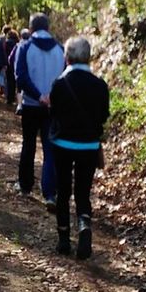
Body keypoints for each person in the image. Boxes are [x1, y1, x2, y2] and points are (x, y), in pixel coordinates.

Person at [49, 36, 110, 259]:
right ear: (89, 56)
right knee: (83, 192)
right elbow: (103, 116)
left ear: (67, 57)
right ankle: (84, 228)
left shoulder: (59, 84)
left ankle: (64, 240)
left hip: (62, 144)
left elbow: (53, 113)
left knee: (63, 191)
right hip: (89, 145)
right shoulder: (100, 85)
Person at [14, 13, 65, 211]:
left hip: (30, 105)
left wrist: (38, 96)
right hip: (53, 107)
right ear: (48, 27)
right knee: (50, 148)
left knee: (28, 144)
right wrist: (51, 96)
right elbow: (64, 77)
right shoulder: (60, 49)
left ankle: (26, 185)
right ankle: (50, 193)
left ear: (32, 28)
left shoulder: (25, 47)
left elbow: (21, 77)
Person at [3, 29, 19, 105]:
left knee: (9, 81)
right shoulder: (17, 43)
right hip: (15, 64)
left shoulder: (6, 42)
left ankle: (8, 98)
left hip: (8, 64)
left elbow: (4, 53)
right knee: (14, 81)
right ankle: (13, 97)